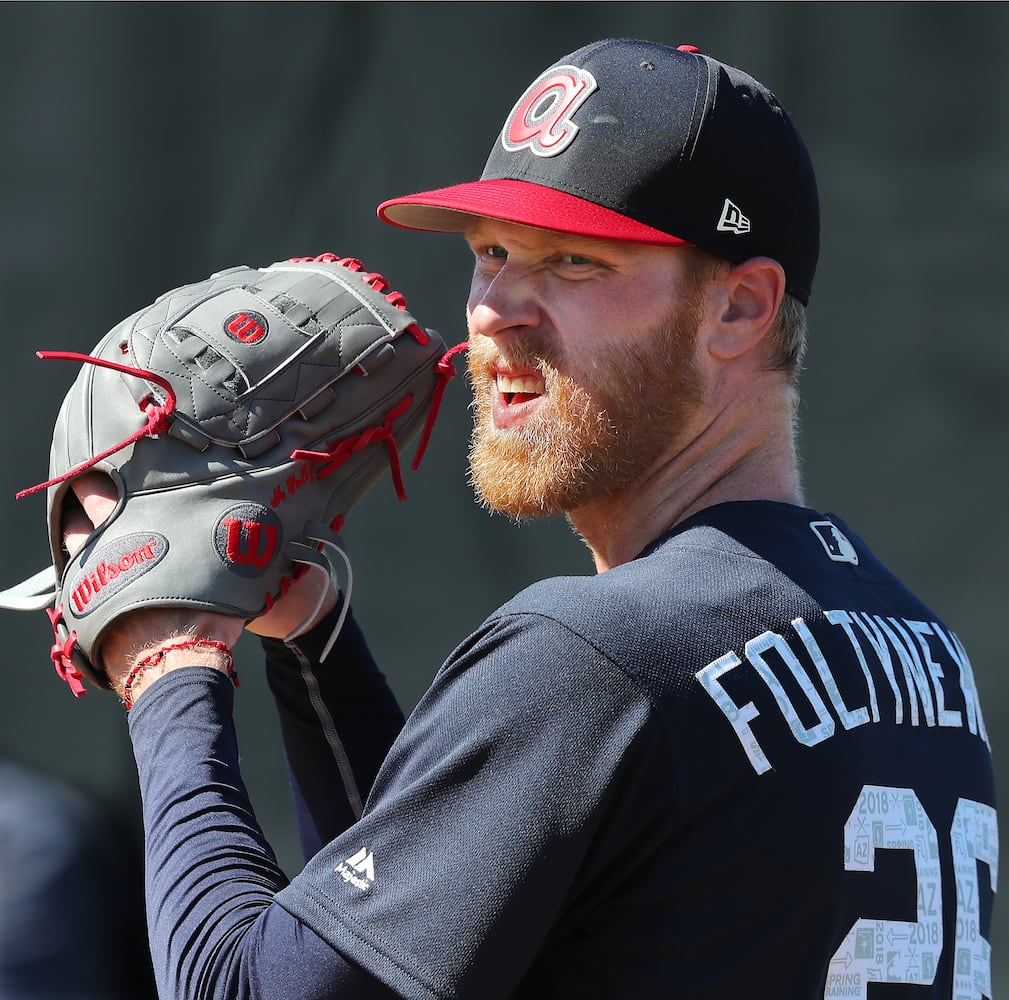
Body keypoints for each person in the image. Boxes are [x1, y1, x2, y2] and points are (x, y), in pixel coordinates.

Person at [64, 38, 997, 998]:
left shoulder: (598, 657)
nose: (495, 307)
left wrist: (168, 667)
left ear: (739, 308)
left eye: (573, 262)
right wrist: (317, 648)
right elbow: (422, 933)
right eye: (491, 253)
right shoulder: (922, 658)